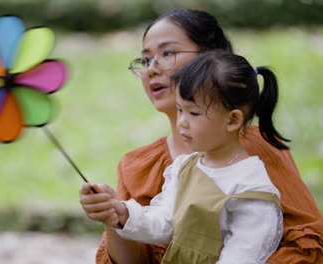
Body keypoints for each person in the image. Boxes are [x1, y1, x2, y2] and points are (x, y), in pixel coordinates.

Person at [79, 9, 323, 264]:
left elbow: (306, 245)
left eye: (167, 53)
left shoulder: (256, 149)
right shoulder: (138, 165)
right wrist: (114, 214)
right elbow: (144, 245)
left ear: (212, 59)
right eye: (146, 60)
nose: (151, 69)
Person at [106, 50, 286, 263]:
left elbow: (241, 257)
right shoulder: (184, 167)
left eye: (194, 113)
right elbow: (164, 223)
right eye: (180, 109)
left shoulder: (251, 190)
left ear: (232, 120)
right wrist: (123, 213)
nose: (182, 121)